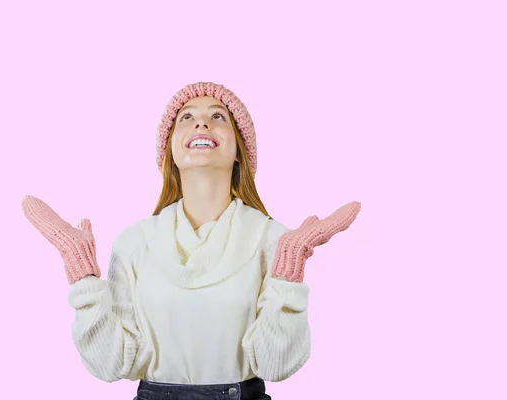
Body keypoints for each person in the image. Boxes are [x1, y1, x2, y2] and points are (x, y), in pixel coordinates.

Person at [22, 82, 361, 400]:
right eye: (187, 117)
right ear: (170, 149)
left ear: (239, 149)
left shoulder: (271, 238)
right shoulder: (134, 242)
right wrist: (83, 279)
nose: (201, 124)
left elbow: (276, 366)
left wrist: (288, 272)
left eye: (217, 116)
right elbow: (109, 366)